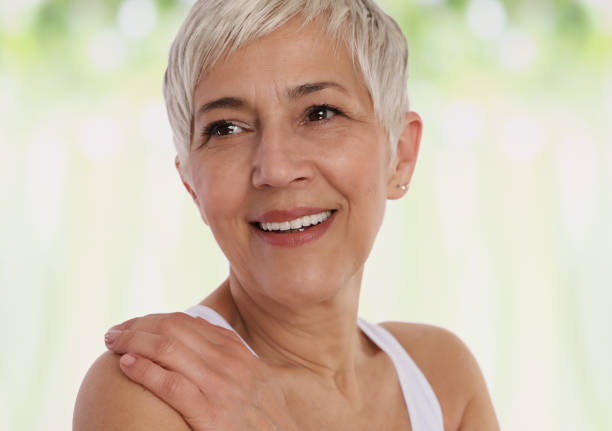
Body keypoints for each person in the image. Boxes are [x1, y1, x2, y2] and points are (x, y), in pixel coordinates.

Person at [73, 0, 500, 429]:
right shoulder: (151, 390)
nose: (275, 169)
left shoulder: (442, 377)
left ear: (401, 156)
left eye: (320, 113)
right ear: (191, 183)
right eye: (226, 128)